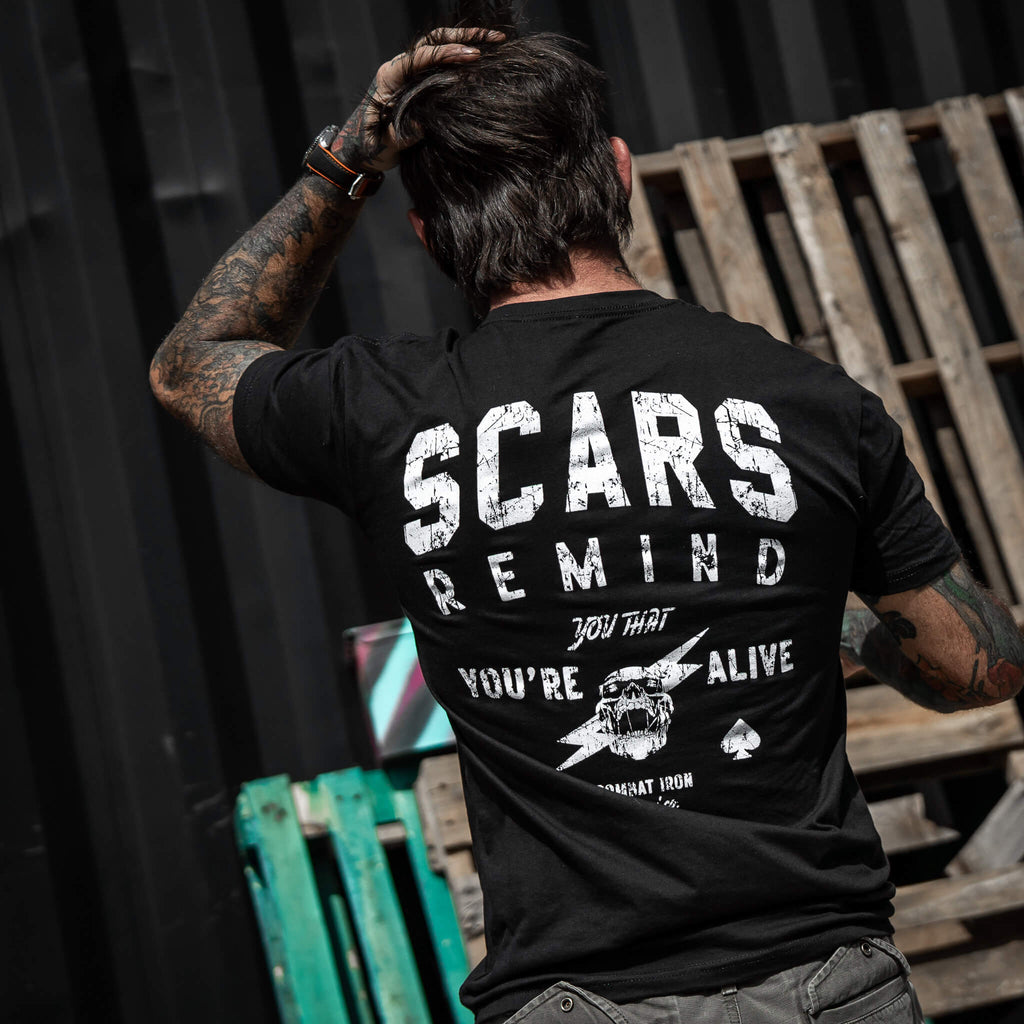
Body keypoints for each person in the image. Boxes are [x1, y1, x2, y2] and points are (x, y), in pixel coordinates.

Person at [150, 19, 1024, 1024]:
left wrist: (350, 155)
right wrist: (842, 620)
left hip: (576, 1002)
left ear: (428, 235)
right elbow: (977, 668)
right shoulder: (803, 397)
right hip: (825, 987)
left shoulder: (381, 409)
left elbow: (191, 363)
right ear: (618, 172)